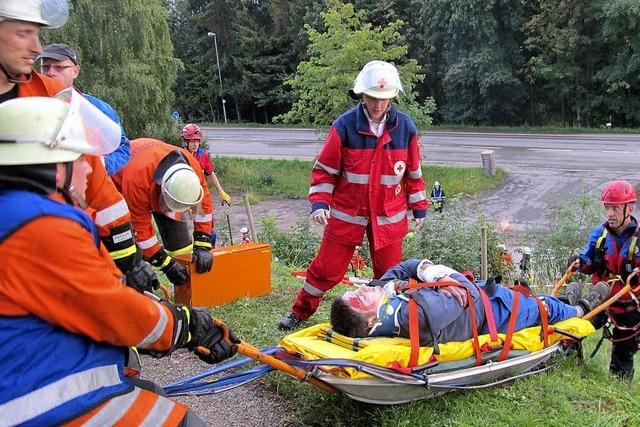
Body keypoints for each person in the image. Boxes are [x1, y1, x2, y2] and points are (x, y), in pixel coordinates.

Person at [0, 96, 238, 426]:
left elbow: (92, 301)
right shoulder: (41, 226)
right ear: (49, 166)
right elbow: (112, 309)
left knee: (139, 377)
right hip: (32, 398)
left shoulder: (20, 212)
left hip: (30, 363)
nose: (91, 169)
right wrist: (187, 326)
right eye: (81, 157)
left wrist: (203, 246)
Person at [0, 0, 157, 293]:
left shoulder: (51, 96)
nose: (36, 49)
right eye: (24, 33)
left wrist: (130, 259)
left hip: (61, 250)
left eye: (37, 34)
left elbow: (97, 184)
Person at [278, 60, 428, 330]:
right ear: (361, 94)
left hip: (388, 216)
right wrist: (319, 203)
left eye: (383, 98)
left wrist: (419, 206)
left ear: (392, 96)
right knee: (325, 270)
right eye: (372, 97)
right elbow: (324, 171)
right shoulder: (344, 126)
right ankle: (300, 311)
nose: (377, 104)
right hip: (348, 214)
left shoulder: (406, 127)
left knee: (390, 276)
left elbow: (413, 171)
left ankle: (387, 321)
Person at [330, 259, 608, 342]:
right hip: (495, 313)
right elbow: (467, 291)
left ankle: (566, 298)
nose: (362, 289)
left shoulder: (393, 308)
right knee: (542, 308)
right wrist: (436, 271)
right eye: (357, 298)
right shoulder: (415, 317)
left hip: (482, 303)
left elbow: (404, 267)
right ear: (369, 319)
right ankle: (581, 308)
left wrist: (392, 282)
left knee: (539, 300)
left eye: (355, 291)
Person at [111, 138, 215, 289]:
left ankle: (187, 288)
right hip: (122, 187)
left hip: (158, 183)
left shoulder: (191, 169)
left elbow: (204, 207)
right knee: (129, 245)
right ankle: (136, 282)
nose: (172, 212)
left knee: (181, 243)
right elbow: (142, 232)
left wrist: (203, 244)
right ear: (162, 191)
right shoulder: (136, 181)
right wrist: (166, 265)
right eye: (171, 207)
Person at [568, 180, 640, 379]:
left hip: (629, 306)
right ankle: (571, 364)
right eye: (607, 208)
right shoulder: (599, 234)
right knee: (573, 328)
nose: (610, 214)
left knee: (623, 353)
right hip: (600, 299)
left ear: (629, 208)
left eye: (615, 208)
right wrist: (578, 262)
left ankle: (618, 385)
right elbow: (588, 260)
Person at [37, 42, 131, 175]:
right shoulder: (28, 105)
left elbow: (121, 148)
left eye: (59, 67)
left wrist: (101, 165)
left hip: (86, 187)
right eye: (45, 67)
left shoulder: (97, 109)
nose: (50, 73)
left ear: (75, 71)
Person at [181, 123, 231, 206]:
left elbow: (210, 173)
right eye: (192, 141)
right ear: (186, 141)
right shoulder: (179, 156)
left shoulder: (202, 155)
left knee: (206, 216)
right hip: (182, 196)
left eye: (197, 141)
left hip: (199, 194)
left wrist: (221, 191)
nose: (195, 145)